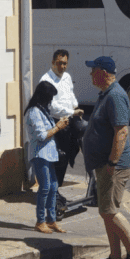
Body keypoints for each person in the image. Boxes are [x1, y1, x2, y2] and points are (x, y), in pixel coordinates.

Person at [80, 55, 130, 259]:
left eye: (94, 70)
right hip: (105, 164)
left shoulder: (116, 96)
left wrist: (112, 162)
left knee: (109, 211)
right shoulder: (106, 95)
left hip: (114, 166)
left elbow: (122, 131)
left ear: (104, 72)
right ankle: (115, 258)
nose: (91, 74)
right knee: (106, 212)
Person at [25, 81, 70, 233]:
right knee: (44, 187)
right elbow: (42, 135)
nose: (51, 101)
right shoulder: (34, 112)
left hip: (49, 154)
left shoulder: (43, 110)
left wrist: (59, 124)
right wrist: (58, 127)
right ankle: (40, 221)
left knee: (53, 187)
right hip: (40, 154)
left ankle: (51, 220)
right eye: (49, 97)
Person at [43, 49, 85, 207]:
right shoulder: (46, 80)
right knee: (57, 159)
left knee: (66, 156)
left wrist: (75, 107)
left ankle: (56, 190)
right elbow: (52, 107)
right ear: (53, 62)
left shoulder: (66, 77)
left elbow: (70, 95)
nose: (62, 66)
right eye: (59, 63)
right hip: (55, 122)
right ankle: (52, 194)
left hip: (69, 121)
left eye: (65, 63)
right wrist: (72, 112)